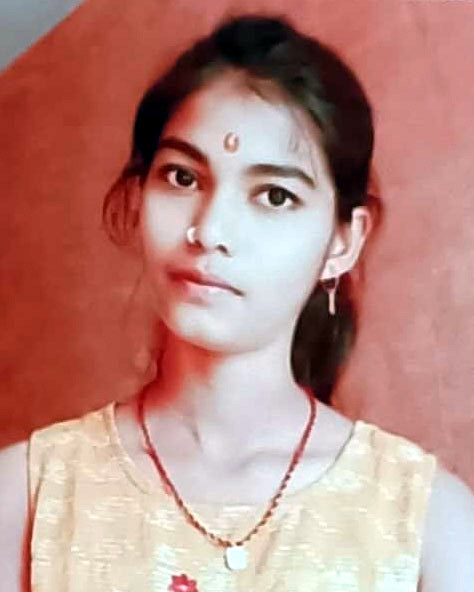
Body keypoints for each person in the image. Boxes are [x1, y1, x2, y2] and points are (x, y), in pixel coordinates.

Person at [1, 14, 473, 592]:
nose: (210, 230)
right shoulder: (30, 499)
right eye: (182, 178)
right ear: (137, 195)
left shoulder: (429, 525)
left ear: (343, 242)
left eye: (274, 195)